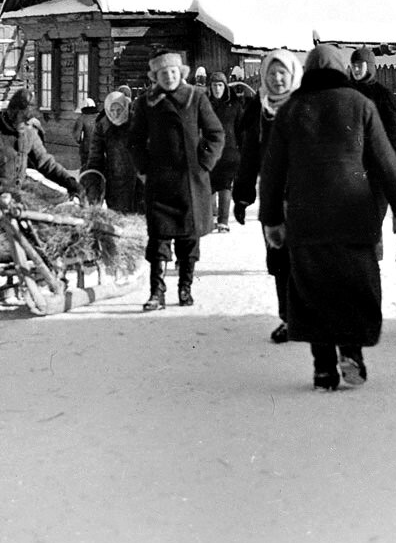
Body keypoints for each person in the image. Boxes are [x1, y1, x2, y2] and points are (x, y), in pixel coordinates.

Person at [259, 44, 396, 390]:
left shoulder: (292, 110)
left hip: (306, 217)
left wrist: (271, 219)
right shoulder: (361, 105)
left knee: (315, 291)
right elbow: (386, 162)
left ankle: (324, 368)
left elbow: (272, 172)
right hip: (354, 215)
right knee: (352, 287)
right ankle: (353, 354)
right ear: (342, 70)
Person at [128, 49, 225, 311]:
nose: (168, 77)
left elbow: (216, 134)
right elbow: (135, 140)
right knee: (158, 238)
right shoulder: (146, 102)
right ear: (156, 76)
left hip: (191, 182)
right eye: (163, 73)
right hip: (159, 182)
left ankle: (185, 288)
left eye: (172, 72)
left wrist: (203, 163)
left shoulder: (196, 97)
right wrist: (144, 169)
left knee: (188, 237)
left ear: (180, 73)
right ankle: (156, 292)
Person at [232, 48, 303, 342]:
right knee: (278, 260)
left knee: (305, 259)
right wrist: (243, 195)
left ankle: (307, 317)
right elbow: (249, 155)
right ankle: (288, 319)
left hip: (306, 197)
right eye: (271, 73)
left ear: (293, 75)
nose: (276, 79)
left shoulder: (306, 105)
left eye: (282, 73)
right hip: (273, 198)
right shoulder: (257, 110)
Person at [0, 87, 83, 200]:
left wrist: (70, 182)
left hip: (15, 200)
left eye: (28, 122)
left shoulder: (28, 133)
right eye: (23, 120)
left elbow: (45, 163)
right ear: (13, 113)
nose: (26, 125)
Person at [85, 85, 142, 213]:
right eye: (112, 110)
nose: (116, 114)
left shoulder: (137, 121)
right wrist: (93, 188)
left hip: (139, 182)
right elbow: (95, 159)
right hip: (116, 183)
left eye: (119, 109)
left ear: (125, 107)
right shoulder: (103, 126)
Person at [349, 46, 396, 168]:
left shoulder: (383, 96)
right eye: (354, 66)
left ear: (369, 66)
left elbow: (394, 132)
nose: (356, 69)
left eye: (360, 65)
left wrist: (391, 164)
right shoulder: (346, 92)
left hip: (374, 162)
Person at [206, 71, 249, 233]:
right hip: (208, 150)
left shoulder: (235, 105)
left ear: (225, 87)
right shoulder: (204, 104)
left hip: (229, 152)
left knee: (225, 185)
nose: (217, 89)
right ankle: (210, 218)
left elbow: (241, 130)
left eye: (220, 85)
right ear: (210, 87)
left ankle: (223, 221)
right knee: (208, 185)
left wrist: (243, 150)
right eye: (214, 85)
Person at [73, 97, 100, 171]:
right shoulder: (100, 117)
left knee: (85, 168)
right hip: (100, 147)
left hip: (86, 148)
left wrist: (80, 142)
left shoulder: (81, 118)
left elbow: (77, 136)